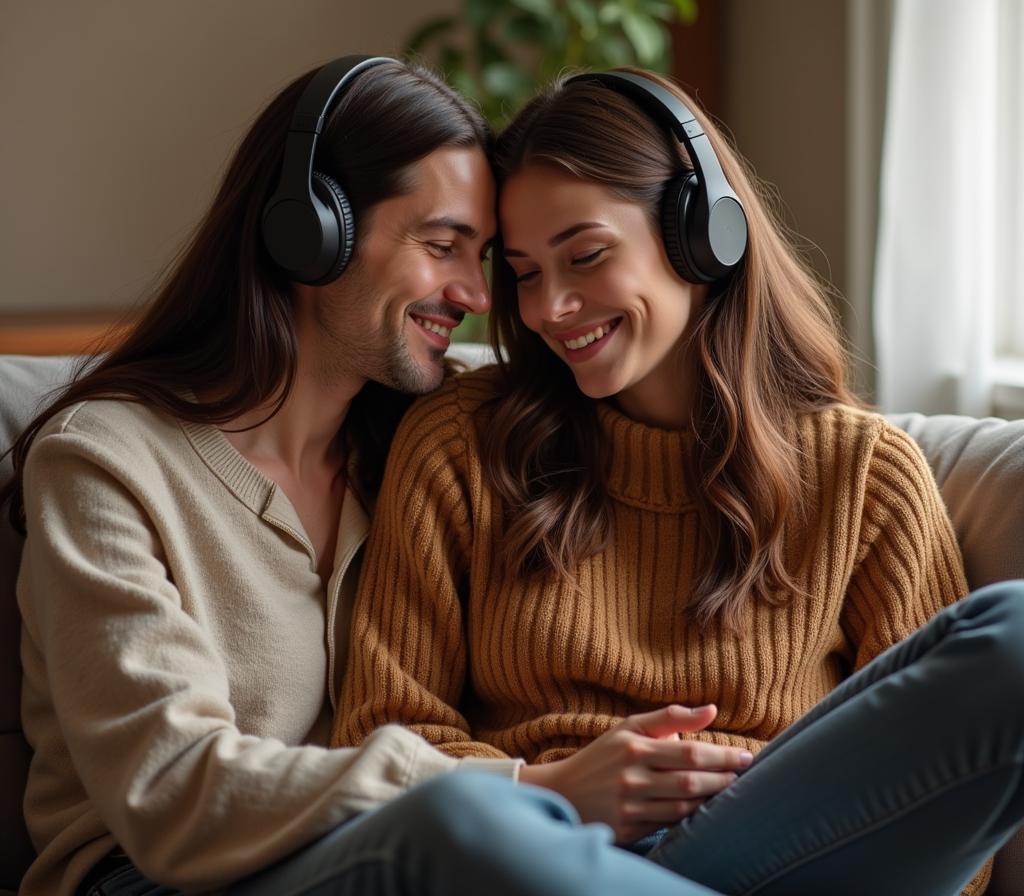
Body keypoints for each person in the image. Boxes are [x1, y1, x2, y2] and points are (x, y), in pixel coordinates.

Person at [4, 56, 715, 896]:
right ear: (309, 231)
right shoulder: (104, 463)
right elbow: (172, 791)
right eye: (443, 245)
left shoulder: (427, 443)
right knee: (463, 822)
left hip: (380, 858)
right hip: (161, 879)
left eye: (484, 259)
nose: (474, 295)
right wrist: (533, 788)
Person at [334, 67, 1024, 895]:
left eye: (585, 256)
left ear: (704, 233)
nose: (551, 306)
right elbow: (383, 734)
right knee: (455, 823)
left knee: (1016, 635)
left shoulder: (865, 477)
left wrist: (761, 786)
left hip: (776, 851)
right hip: (544, 851)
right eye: (523, 271)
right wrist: (567, 789)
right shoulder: (460, 444)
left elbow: (953, 836)